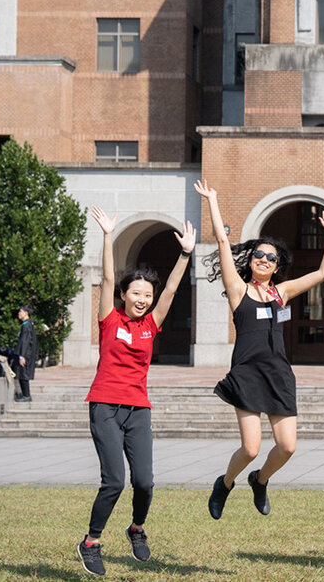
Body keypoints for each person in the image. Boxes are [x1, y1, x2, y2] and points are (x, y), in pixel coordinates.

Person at [195, 179, 324, 520]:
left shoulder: (282, 293)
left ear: (277, 267)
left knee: (287, 445)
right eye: (258, 254)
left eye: (270, 257)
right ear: (252, 261)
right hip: (246, 374)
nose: (262, 259)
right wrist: (213, 201)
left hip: (278, 374)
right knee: (250, 447)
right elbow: (221, 240)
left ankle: (260, 481)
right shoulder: (237, 289)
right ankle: (225, 484)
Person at [77, 207, 196, 577]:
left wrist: (186, 254)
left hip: (138, 409)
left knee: (144, 481)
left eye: (148, 294)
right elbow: (108, 276)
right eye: (137, 293)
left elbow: (173, 289)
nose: (143, 299)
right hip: (105, 406)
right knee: (114, 480)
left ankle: (137, 528)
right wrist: (109, 235)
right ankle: (91, 542)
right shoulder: (109, 319)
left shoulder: (151, 324)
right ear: (124, 295)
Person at [13, 304, 38, 402]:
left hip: (25, 355)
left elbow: (25, 341)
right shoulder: (27, 325)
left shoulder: (27, 326)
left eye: (21, 311)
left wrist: (22, 356)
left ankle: (27, 395)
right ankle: (25, 394)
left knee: (23, 374)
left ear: (26, 313)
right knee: (21, 374)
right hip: (25, 354)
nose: (19, 313)